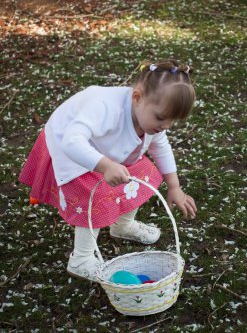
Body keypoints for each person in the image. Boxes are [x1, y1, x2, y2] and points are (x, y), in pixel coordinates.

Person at [19, 59, 197, 281]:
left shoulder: (150, 115)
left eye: (173, 121)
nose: (166, 126)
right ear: (137, 98)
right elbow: (71, 141)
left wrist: (174, 186)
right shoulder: (106, 108)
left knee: (143, 175)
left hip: (105, 148)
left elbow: (160, 146)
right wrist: (105, 166)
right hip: (70, 148)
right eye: (161, 118)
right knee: (93, 196)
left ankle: (122, 225)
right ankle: (81, 259)